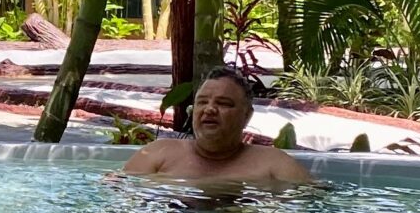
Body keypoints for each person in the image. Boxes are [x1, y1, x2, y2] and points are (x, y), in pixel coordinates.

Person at [120, 68, 313, 186]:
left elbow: (314, 204)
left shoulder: (273, 164)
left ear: (247, 115)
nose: (210, 109)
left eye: (224, 103)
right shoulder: (157, 153)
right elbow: (117, 194)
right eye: (202, 102)